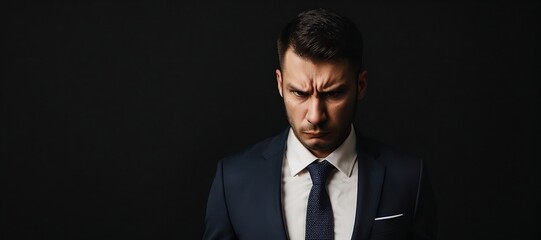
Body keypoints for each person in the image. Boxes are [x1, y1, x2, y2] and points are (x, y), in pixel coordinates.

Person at [203, 8, 437, 240]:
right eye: (299, 93)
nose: (315, 116)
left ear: (361, 85)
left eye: (333, 94)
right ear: (279, 83)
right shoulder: (233, 180)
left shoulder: (408, 179)